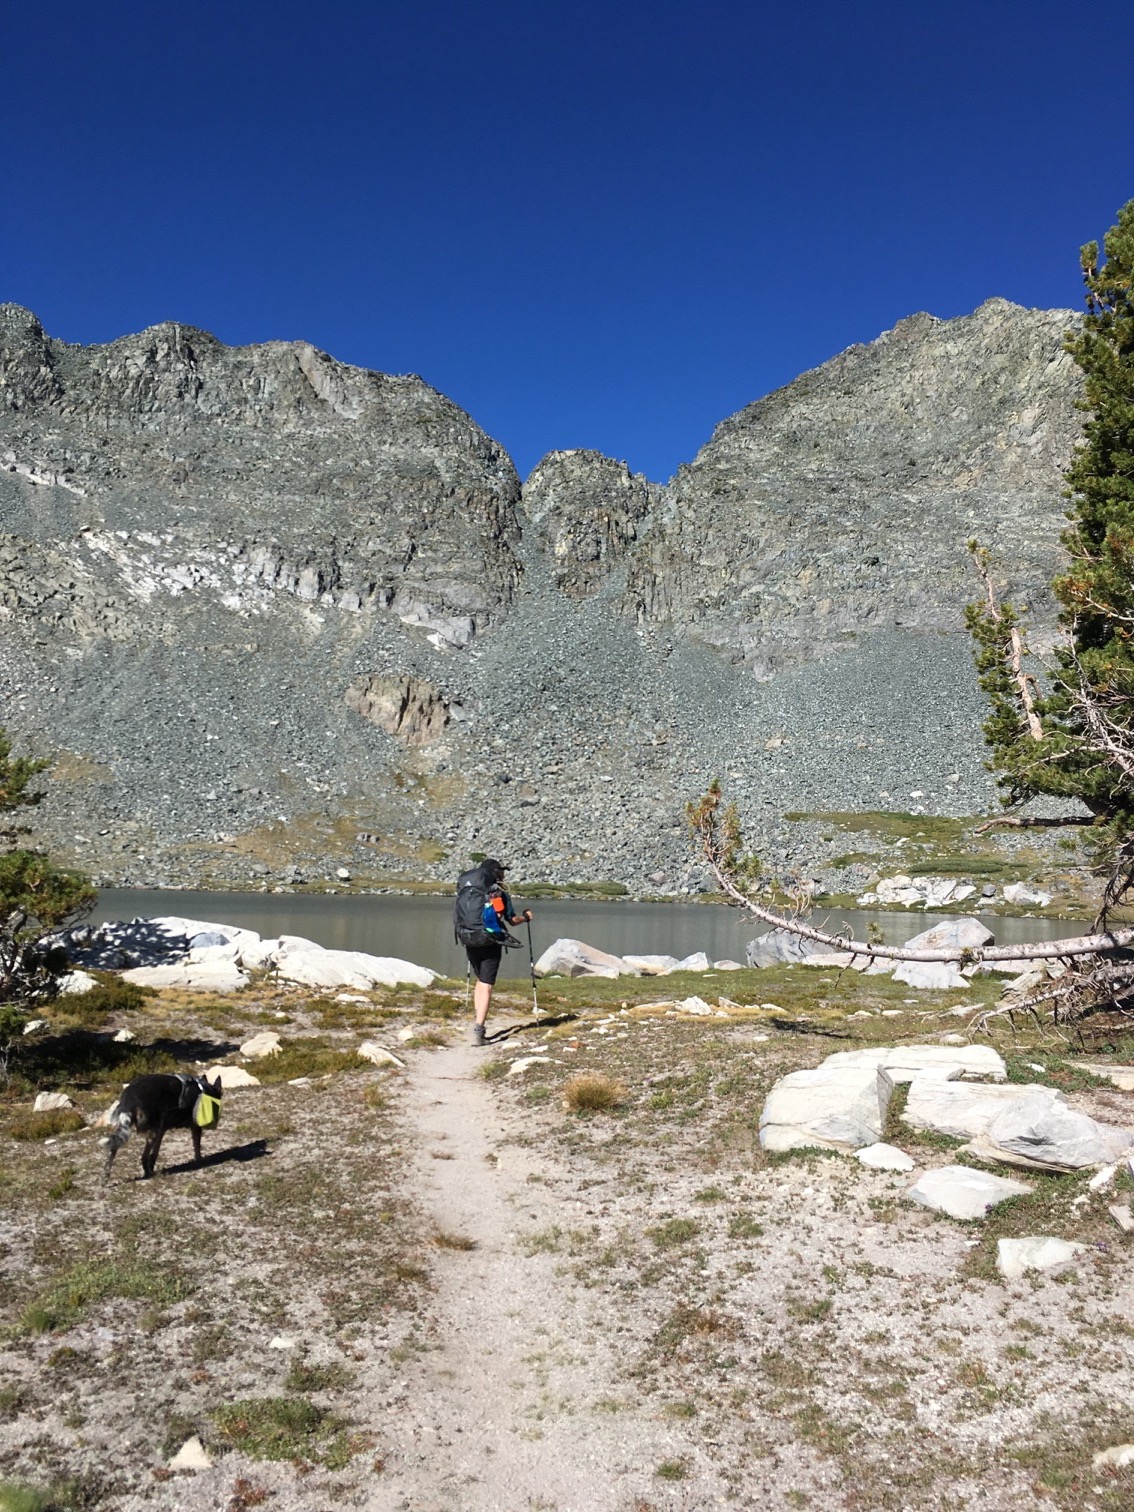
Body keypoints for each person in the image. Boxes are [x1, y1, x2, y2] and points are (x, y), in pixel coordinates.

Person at [461, 857, 531, 1045]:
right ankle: (479, 1030)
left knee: (480, 981)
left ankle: (477, 1021)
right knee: (487, 983)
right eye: (501, 870)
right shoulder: (498, 892)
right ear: (495, 872)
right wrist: (526, 917)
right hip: (490, 941)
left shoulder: (468, 891)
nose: (504, 873)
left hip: (469, 938)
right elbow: (512, 921)